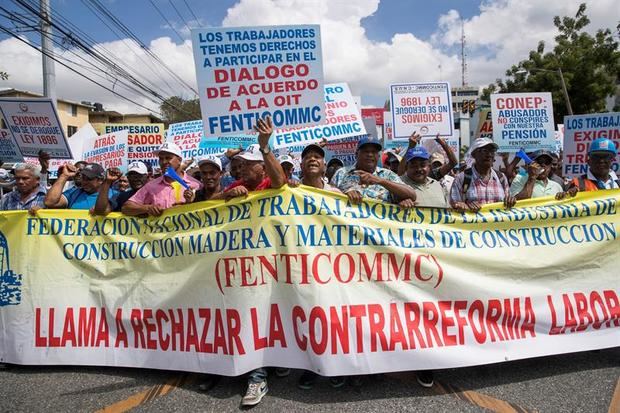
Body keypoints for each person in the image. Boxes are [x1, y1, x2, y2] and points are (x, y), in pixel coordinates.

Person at [221, 117, 285, 407]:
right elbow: (214, 210)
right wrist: (227, 195)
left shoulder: (271, 182)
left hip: (276, 263)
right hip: (245, 266)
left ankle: (272, 362)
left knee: (274, 313)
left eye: (250, 163)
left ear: (261, 166)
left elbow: (281, 181)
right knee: (251, 314)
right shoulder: (235, 184)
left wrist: (265, 147)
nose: (244, 168)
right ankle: (256, 375)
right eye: (242, 164)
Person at [122, 142, 201, 217]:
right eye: (161, 158)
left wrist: (188, 204)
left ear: (179, 160)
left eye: (168, 158)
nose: (164, 162)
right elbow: (126, 208)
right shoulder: (151, 186)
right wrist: (147, 208)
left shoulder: (195, 184)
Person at [331, 136, 416, 205]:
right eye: (366, 151)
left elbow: (412, 195)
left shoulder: (388, 175)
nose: (370, 155)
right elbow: (327, 198)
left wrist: (380, 181)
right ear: (356, 154)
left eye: (374, 152)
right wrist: (344, 195)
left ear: (378, 156)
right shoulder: (341, 173)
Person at [450, 138, 516, 212]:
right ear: (474, 155)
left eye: (492, 151)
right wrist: (464, 206)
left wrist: (510, 201)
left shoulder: (501, 178)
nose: (489, 155)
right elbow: (455, 206)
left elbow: (507, 207)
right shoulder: (462, 178)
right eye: (484, 151)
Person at [44, 162, 117, 210]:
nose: (84, 182)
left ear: (100, 180)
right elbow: (49, 202)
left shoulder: (114, 194)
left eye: (88, 179)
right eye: (83, 178)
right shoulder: (74, 193)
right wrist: (64, 176)